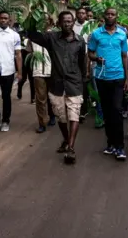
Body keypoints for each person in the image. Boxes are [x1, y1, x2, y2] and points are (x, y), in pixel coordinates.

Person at [28, 11, 86, 163]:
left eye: (70, 21)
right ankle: (66, 140)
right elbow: (32, 34)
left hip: (74, 83)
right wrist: (33, 15)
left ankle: (71, 148)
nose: (67, 24)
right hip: (56, 84)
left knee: (74, 115)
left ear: (73, 23)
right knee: (61, 116)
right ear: (59, 23)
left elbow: (82, 63)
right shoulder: (51, 38)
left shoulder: (80, 41)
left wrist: (83, 81)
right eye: (64, 21)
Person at [88, 8, 128, 160]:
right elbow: (90, 53)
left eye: (113, 14)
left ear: (117, 17)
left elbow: (125, 56)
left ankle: (120, 147)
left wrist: (126, 78)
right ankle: (110, 144)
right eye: (107, 14)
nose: (110, 16)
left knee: (117, 111)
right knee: (106, 112)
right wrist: (96, 59)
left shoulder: (122, 34)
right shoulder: (96, 34)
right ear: (104, 16)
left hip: (118, 77)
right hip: (101, 77)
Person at [31, 16, 55, 133]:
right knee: (40, 98)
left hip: (53, 70)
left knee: (52, 96)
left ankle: (53, 115)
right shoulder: (33, 36)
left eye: (46, 20)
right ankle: (42, 122)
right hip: (38, 70)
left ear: (50, 22)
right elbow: (29, 52)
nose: (44, 22)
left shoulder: (56, 36)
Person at [17, 31, 35, 103]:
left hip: (32, 59)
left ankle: (33, 98)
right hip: (26, 58)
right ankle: (19, 88)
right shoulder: (22, 34)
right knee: (24, 78)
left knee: (32, 80)